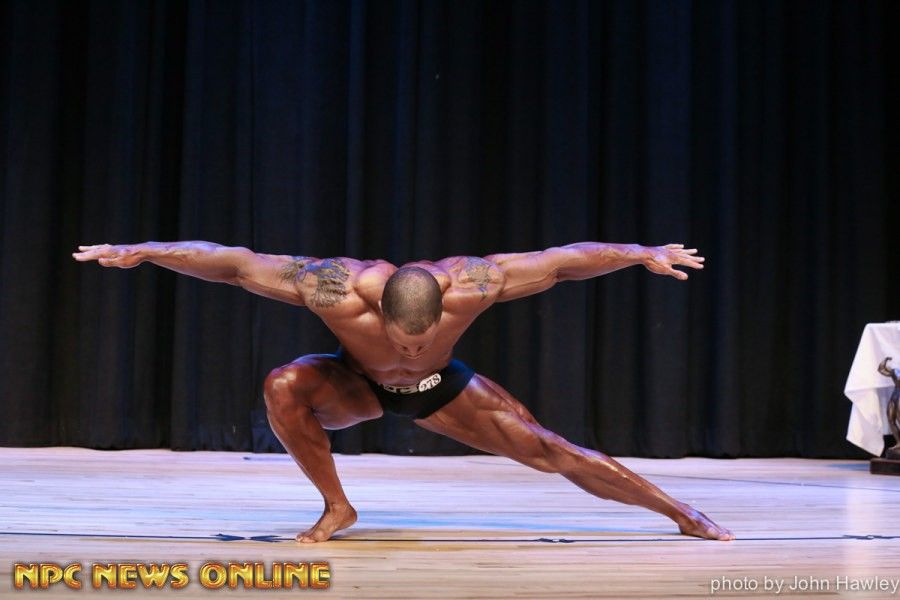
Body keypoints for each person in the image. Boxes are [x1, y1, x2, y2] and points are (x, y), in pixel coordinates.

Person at [73, 240, 734, 542]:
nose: (410, 347)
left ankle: (682, 514)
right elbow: (237, 265)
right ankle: (337, 507)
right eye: (401, 338)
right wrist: (148, 250)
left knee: (548, 450)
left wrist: (637, 253)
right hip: (353, 385)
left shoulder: (475, 282)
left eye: (423, 338)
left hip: (438, 391)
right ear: (377, 309)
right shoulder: (332, 286)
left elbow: (561, 263)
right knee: (283, 385)